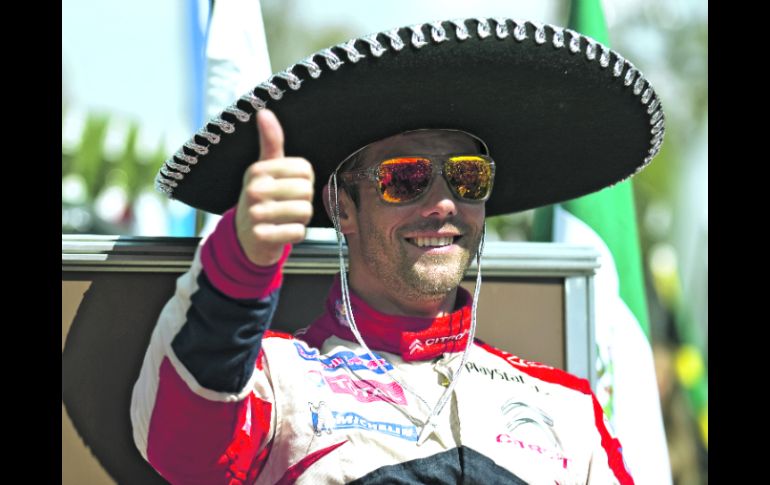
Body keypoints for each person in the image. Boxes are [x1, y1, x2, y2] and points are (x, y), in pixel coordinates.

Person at [132, 17, 664, 484]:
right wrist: (242, 262)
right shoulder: (277, 381)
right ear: (342, 207)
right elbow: (181, 448)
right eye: (405, 178)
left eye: (467, 177)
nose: (443, 204)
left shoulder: (569, 409)